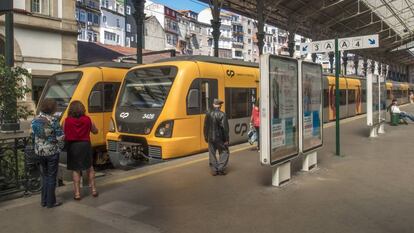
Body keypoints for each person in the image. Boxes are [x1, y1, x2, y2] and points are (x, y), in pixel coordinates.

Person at [31, 99, 64, 208]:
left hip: (39, 152)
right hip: (52, 152)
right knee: (51, 177)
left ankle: (44, 201)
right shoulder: (53, 120)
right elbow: (60, 137)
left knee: (44, 176)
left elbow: (32, 136)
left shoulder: (35, 119)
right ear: (52, 109)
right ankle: (51, 202)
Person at [64, 101, 99, 200]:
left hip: (73, 146)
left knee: (76, 170)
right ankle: (94, 190)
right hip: (85, 146)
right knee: (89, 168)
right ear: (82, 109)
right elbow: (95, 131)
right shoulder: (88, 119)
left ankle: (77, 194)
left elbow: (63, 133)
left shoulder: (66, 120)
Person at [204, 98, 230, 176]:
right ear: (220, 106)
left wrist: (206, 136)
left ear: (213, 105)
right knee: (225, 152)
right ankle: (221, 168)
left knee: (212, 153)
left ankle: (214, 170)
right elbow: (225, 129)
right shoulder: (222, 114)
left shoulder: (208, 114)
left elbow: (205, 126)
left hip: (210, 137)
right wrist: (226, 139)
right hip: (220, 138)